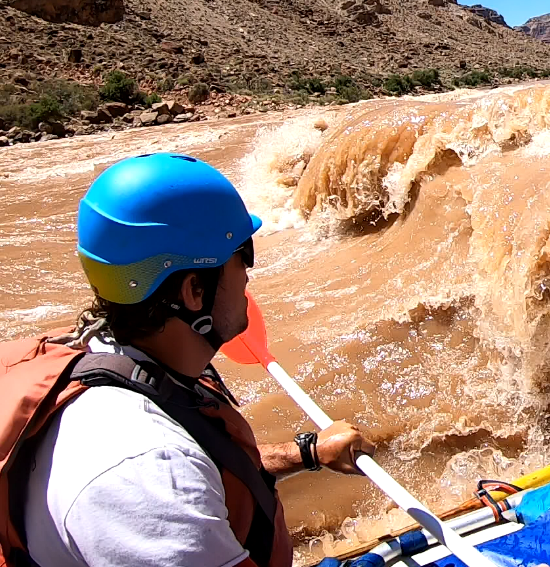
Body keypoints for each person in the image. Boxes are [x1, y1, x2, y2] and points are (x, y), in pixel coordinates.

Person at [12, 152, 376, 567]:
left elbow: (208, 458)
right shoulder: (151, 481)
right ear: (194, 291)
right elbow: (170, 479)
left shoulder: (106, 355)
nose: (248, 274)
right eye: (244, 252)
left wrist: (307, 453)